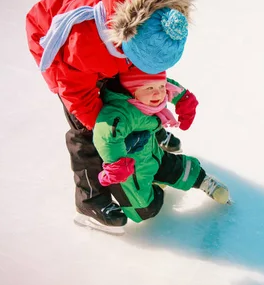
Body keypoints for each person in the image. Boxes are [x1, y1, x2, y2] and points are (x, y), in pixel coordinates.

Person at [25, 0, 192, 231]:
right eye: (145, 63)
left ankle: (150, 133)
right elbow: (77, 95)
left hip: (111, 53)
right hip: (64, 58)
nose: (152, 72)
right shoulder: (86, 44)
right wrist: (109, 135)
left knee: (131, 91)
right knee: (87, 130)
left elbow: (146, 79)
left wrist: (161, 106)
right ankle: (89, 200)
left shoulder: (155, 23)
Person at [82, 66, 230, 230]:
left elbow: (169, 86)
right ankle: (155, 187)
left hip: (154, 155)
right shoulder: (120, 113)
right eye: (150, 88)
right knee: (144, 210)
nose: (158, 93)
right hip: (132, 173)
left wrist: (184, 99)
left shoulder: (147, 100)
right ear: (132, 90)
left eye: (160, 87)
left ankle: (203, 180)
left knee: (177, 168)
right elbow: (106, 137)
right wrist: (117, 165)